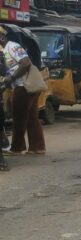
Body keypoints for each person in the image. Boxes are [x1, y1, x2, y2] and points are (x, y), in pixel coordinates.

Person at [0, 25, 45, 155]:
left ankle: (16, 148)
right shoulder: (5, 49)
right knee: (31, 118)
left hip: (23, 86)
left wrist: (12, 77)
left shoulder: (13, 47)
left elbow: (26, 63)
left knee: (19, 117)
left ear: (2, 36)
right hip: (21, 86)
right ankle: (37, 147)